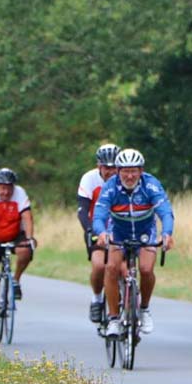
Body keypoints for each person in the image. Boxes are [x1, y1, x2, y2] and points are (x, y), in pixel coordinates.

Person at [93, 149, 175, 338]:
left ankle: (144, 309)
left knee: (146, 269)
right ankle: (114, 319)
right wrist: (102, 233)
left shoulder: (151, 185)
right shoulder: (110, 187)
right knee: (111, 268)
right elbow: (99, 216)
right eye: (125, 171)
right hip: (119, 232)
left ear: (141, 171)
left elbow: (165, 211)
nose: (129, 176)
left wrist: (167, 234)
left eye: (134, 171)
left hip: (145, 231)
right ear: (118, 171)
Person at [0, 168, 35, 333]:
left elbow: (27, 217)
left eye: (9, 188)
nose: (5, 192)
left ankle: (15, 280)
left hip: (14, 233)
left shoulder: (20, 193)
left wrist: (30, 238)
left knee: (25, 251)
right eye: (2, 188)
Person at [77, 144, 120, 322]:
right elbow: (82, 211)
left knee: (123, 269)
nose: (111, 172)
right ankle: (96, 298)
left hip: (120, 230)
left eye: (114, 167)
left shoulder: (126, 179)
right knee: (99, 266)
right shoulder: (89, 179)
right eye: (106, 167)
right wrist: (90, 230)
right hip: (97, 229)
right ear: (99, 166)